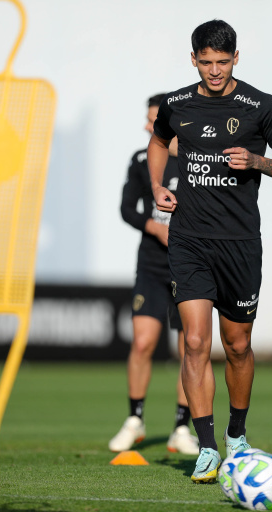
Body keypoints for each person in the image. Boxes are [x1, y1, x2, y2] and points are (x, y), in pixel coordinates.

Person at [147, 20, 272, 482]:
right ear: (192, 59)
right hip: (190, 240)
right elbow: (158, 142)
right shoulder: (176, 104)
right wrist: (157, 186)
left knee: (237, 345)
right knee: (195, 342)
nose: (214, 70)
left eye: (223, 61)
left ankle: (237, 435)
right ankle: (207, 446)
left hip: (239, 244)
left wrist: (257, 161)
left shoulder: (261, 105)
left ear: (236, 58)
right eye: (206, 62)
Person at [110, 94, 199, 455]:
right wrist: (154, 226)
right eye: (147, 121)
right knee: (143, 342)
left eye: (153, 121)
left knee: (188, 349)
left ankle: (182, 427)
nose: (148, 127)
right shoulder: (142, 161)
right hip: (151, 264)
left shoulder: (197, 160)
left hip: (190, 265)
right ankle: (135, 420)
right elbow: (126, 209)